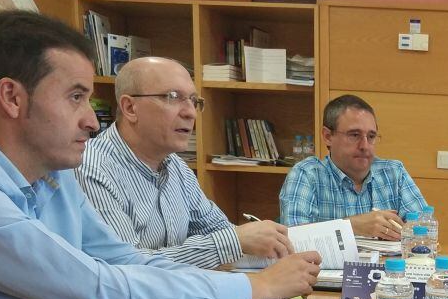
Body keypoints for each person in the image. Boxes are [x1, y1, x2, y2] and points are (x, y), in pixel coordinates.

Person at [0, 10, 320, 299]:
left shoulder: (53, 170)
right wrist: (259, 286)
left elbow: (127, 261)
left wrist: (245, 285)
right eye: (75, 97)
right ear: (12, 98)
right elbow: (100, 288)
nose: (92, 121)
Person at [79, 56, 291, 268]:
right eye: (173, 97)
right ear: (130, 108)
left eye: (194, 101)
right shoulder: (91, 168)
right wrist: (235, 241)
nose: (191, 113)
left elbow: (218, 229)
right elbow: (126, 268)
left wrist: (254, 239)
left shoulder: (177, 167)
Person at [278, 94, 427, 240]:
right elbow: (294, 239)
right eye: (354, 135)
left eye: (371, 136)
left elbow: (424, 233)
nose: (365, 146)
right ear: (328, 136)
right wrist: (351, 226)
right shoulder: (306, 174)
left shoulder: (394, 173)